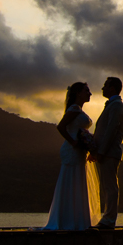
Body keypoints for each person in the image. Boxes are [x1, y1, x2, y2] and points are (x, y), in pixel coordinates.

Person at [37, 82, 101, 231]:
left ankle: (77, 220)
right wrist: (73, 141)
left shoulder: (78, 110)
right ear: (78, 93)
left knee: (77, 181)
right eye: (87, 91)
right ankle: (68, 220)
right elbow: (61, 126)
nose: (89, 94)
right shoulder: (74, 109)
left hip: (79, 151)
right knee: (71, 181)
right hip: (72, 150)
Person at [89, 76, 123, 230]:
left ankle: (109, 219)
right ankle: (107, 218)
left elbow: (111, 130)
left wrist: (102, 151)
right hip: (106, 152)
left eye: (105, 85)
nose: (102, 88)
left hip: (109, 152)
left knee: (110, 186)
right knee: (107, 186)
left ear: (112, 88)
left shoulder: (116, 105)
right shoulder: (112, 105)